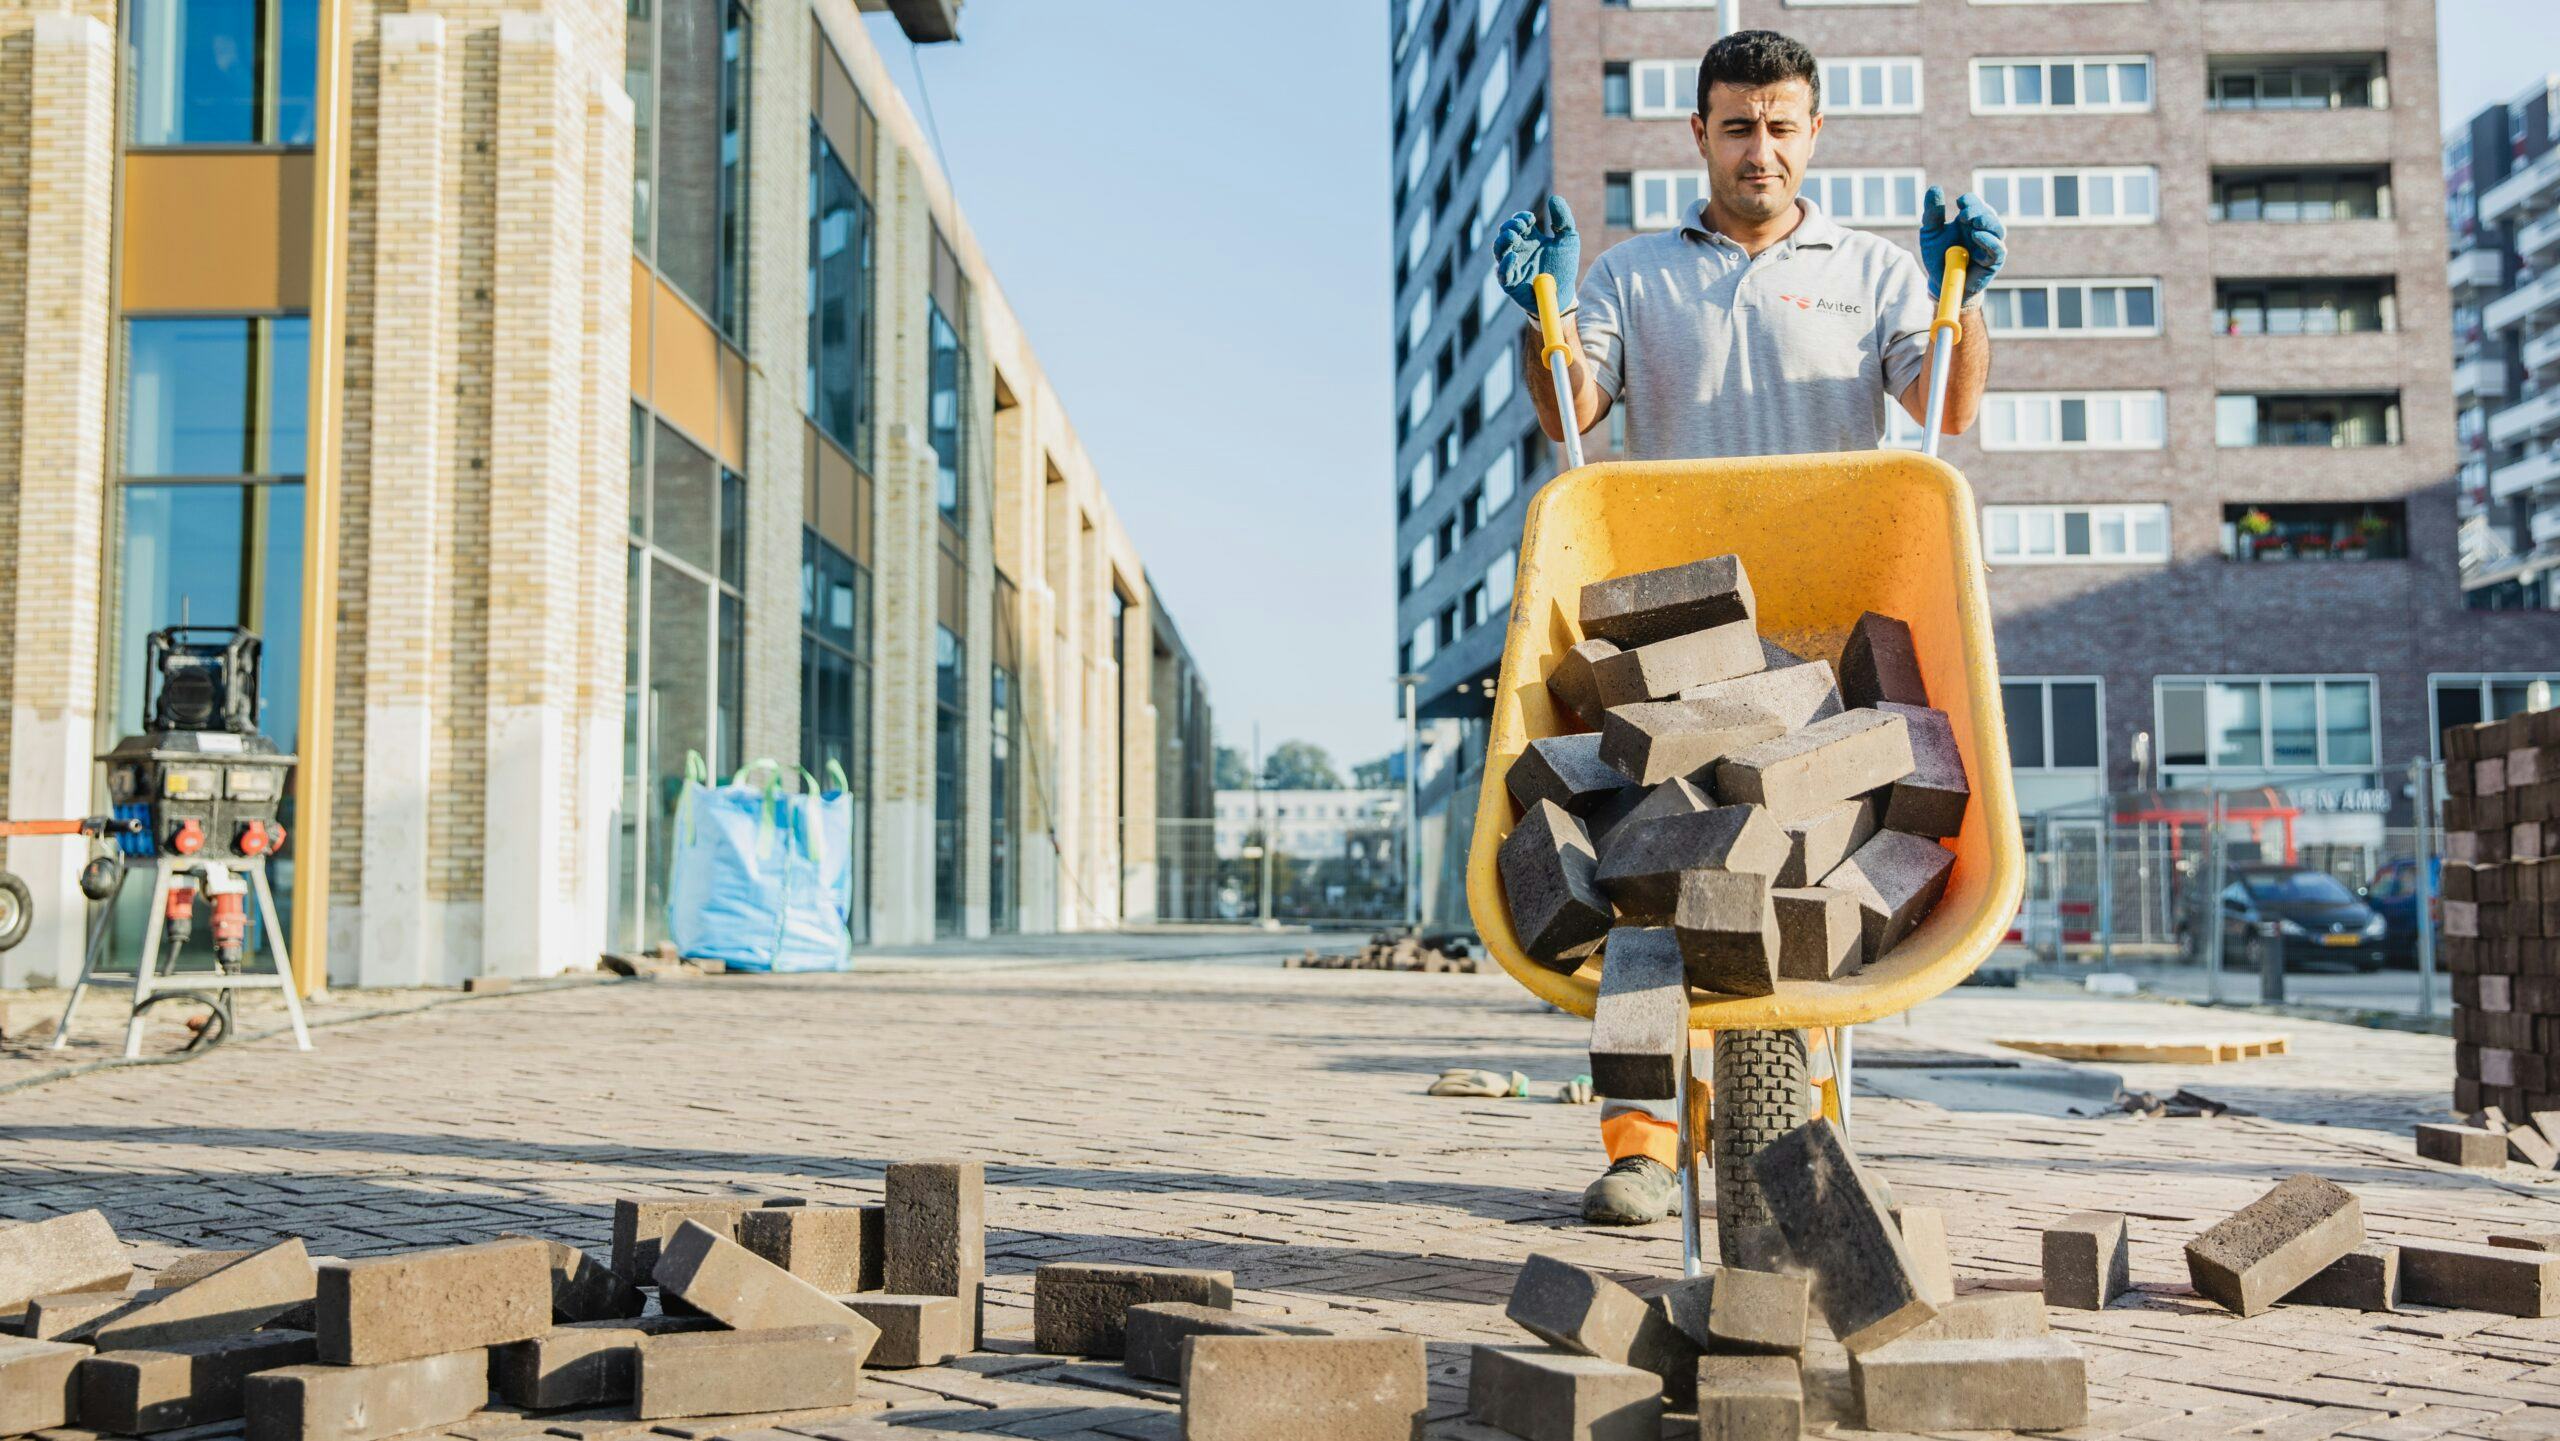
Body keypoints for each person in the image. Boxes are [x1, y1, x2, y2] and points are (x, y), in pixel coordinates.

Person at [1488, 29, 2008, 1226]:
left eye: (1780, 126)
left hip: (1822, 660)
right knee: (1648, 879)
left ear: (1812, 134)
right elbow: (1571, 406)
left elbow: (1945, 401)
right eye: (1736, 126)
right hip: (1668, 650)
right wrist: (1541, 312)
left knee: (1815, 882)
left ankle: (1798, 1140)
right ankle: (1641, 1140)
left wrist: (1961, 301)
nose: (1759, 149)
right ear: (1700, 135)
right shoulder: (1629, 275)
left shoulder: (1874, 270)